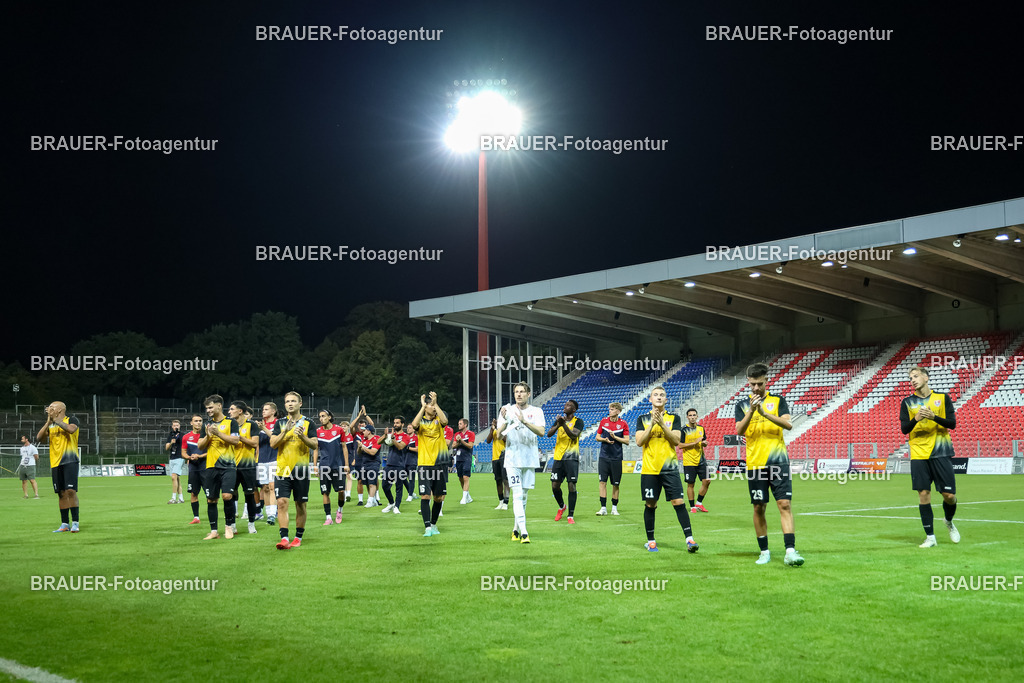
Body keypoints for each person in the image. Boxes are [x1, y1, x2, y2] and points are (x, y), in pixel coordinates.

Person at [735, 363, 803, 566]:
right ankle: (764, 552)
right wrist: (752, 411)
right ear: (748, 382)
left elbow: (788, 424)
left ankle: (790, 551)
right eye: (752, 384)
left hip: (778, 462)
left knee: (785, 504)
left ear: (767, 380)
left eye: (760, 384)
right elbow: (739, 430)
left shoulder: (778, 400)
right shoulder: (741, 405)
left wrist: (764, 413)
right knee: (759, 507)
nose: (756, 388)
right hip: (755, 464)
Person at [900, 365, 960, 548]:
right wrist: (916, 419)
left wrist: (934, 417)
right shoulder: (907, 402)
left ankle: (948, 521)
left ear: (926, 377)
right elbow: (904, 429)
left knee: (949, 496)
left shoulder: (942, 398)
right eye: (911, 378)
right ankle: (930, 537)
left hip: (940, 451)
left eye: (916, 376)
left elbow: (952, 424)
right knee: (924, 494)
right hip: (918, 453)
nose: (913, 380)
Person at [636, 387, 698, 553]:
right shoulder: (642, 419)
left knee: (678, 502)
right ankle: (651, 541)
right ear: (650, 399)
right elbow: (639, 442)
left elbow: (676, 440)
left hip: (669, 469)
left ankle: (690, 539)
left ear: (666, 400)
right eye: (655, 395)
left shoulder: (674, 418)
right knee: (650, 504)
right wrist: (652, 424)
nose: (659, 397)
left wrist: (662, 424)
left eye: (662, 395)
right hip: (650, 469)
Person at [496, 382, 545, 544]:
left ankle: (515, 529)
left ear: (528, 394)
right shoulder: (507, 410)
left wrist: (524, 421)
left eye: (522, 391)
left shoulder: (536, 411)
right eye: (516, 391)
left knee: (523, 496)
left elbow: (541, 432)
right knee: (517, 494)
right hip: (512, 459)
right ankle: (524, 532)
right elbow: (498, 436)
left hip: (529, 459)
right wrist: (505, 420)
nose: (519, 394)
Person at [269, 391, 317, 549]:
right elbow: (273, 444)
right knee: (281, 503)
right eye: (287, 401)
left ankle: (298, 537)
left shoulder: (309, 423)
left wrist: (302, 436)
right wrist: (285, 431)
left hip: (300, 470)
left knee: (300, 504)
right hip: (283, 470)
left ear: (300, 404)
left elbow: (315, 445)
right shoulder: (280, 423)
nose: (290, 404)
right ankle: (284, 538)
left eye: (293, 401)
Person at [197, 395, 240, 540]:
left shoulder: (231, 422)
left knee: (227, 496)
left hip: (228, 466)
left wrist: (218, 433)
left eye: (210, 407)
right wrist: (208, 435)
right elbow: (200, 446)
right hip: (211, 466)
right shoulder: (207, 425)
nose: (208, 410)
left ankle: (229, 526)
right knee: (211, 499)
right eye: (207, 408)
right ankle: (214, 531)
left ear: (219, 406)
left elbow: (235, 440)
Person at [36, 402, 81, 533]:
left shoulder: (72, 419)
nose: (49, 409)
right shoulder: (51, 425)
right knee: (61, 494)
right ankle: (64, 524)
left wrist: (56, 420)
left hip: (70, 460)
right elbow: (40, 439)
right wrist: (48, 422)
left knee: (71, 491)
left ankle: (75, 523)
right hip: (55, 463)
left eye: (52, 407)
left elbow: (71, 430)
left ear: (60, 410)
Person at [411, 392, 449, 537]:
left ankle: (433, 524)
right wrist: (422, 407)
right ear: (425, 407)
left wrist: (435, 403)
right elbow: (414, 425)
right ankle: (427, 527)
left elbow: (445, 421)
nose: (433, 408)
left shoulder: (439, 420)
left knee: (438, 498)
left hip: (440, 463)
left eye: (434, 406)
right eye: (430, 405)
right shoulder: (421, 423)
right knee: (425, 496)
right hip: (425, 463)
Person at [547, 399, 583, 524]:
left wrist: (563, 425)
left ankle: (570, 515)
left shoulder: (578, 421)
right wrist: (558, 424)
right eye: (566, 404)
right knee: (555, 486)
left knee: (571, 485)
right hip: (558, 457)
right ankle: (562, 506)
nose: (565, 406)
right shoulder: (560, 421)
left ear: (574, 409)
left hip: (571, 457)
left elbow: (574, 435)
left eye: (569, 405)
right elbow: (549, 434)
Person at [227, 402, 260, 534]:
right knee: (230, 495)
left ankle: (251, 523)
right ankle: (232, 524)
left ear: (240, 411)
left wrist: (239, 438)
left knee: (249, 495)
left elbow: (255, 443)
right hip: (231, 466)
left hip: (248, 466)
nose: (229, 412)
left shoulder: (251, 425)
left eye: (232, 409)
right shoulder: (228, 425)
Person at [595, 402, 629, 516]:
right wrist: (605, 439)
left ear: (618, 411)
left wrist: (615, 437)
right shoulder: (603, 421)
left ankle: (614, 508)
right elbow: (597, 437)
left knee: (616, 484)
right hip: (604, 457)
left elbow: (627, 441)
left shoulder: (623, 424)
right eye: (610, 409)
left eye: (613, 409)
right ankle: (603, 508)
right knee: (602, 482)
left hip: (616, 458)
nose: (610, 411)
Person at [315, 409, 348, 525]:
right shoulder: (318, 431)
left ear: (329, 417)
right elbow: (315, 449)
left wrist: (346, 464)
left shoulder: (339, 430)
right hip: (324, 466)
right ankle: (328, 517)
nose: (321, 418)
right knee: (325, 492)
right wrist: (315, 466)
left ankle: (340, 510)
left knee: (341, 491)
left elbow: (344, 447)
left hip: (337, 465)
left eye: (323, 416)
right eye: (320, 416)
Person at [679, 408, 711, 513]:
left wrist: (704, 443)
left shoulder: (701, 428)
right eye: (690, 415)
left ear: (697, 416)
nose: (692, 417)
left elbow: (704, 441)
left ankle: (699, 503)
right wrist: (694, 443)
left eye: (694, 415)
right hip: (689, 461)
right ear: (687, 417)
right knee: (691, 484)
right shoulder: (683, 430)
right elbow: (680, 445)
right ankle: (692, 506)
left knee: (707, 481)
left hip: (701, 460)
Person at [256, 402, 279, 524]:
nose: (263, 411)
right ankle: (268, 512)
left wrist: (263, 429)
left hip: (275, 458)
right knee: (264, 487)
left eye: (266, 409)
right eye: (263, 409)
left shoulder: (278, 423)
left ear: (273, 411)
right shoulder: (260, 425)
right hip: (262, 459)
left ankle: (272, 514)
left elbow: (276, 438)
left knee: (272, 486)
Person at [381, 417, 409, 514]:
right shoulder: (391, 435)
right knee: (384, 486)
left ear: (402, 424)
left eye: (397, 423)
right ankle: (391, 503)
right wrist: (385, 435)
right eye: (394, 423)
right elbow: (379, 442)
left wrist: (393, 439)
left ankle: (397, 506)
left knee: (399, 487)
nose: (395, 424)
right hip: (389, 464)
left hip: (399, 465)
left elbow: (400, 447)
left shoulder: (405, 436)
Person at [181, 414, 205, 524]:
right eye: (196, 421)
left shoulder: (206, 436)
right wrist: (189, 457)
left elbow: (211, 452)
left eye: (200, 421)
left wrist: (199, 456)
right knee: (194, 493)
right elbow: (183, 452)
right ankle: (196, 517)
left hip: (206, 467)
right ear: (191, 423)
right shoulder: (186, 437)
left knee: (210, 494)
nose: (198, 423)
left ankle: (212, 516)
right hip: (193, 469)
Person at [355, 423, 382, 508]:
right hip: (364, 463)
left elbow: (373, 452)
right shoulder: (364, 440)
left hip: (373, 463)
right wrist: (359, 447)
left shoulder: (376, 439)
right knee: (366, 483)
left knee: (372, 483)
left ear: (369, 431)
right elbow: (358, 453)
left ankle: (370, 501)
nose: (363, 432)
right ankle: (373, 500)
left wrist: (363, 447)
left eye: (365, 430)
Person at [486, 418, 508, 510]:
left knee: (505, 480)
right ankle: (501, 501)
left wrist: (499, 429)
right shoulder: (494, 431)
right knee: (498, 480)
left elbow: (506, 440)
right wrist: (492, 430)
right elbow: (488, 440)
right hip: (495, 458)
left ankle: (506, 502)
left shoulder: (505, 429)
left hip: (504, 457)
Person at [453, 418, 476, 505]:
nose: (458, 425)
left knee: (466, 477)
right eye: (458, 423)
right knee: (460, 478)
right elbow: (453, 446)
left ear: (465, 425)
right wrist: (458, 441)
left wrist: (461, 441)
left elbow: (470, 446)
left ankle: (464, 498)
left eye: (460, 423)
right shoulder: (457, 434)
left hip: (467, 458)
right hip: (459, 458)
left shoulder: (471, 434)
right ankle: (467, 496)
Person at [164, 419, 185, 504]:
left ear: (179, 426)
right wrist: (171, 443)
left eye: (177, 425)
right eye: (174, 425)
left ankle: (173, 498)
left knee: (173, 477)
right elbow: (166, 448)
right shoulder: (170, 435)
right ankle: (181, 498)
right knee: (177, 479)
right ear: (172, 426)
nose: (176, 427)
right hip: (172, 458)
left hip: (180, 457)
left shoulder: (182, 435)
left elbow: (186, 446)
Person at [402, 423, 419, 502]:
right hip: (403, 460)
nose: (408, 429)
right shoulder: (405, 437)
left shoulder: (416, 437)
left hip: (412, 461)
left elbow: (418, 449)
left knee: (411, 479)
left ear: (413, 429)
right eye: (407, 428)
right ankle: (411, 492)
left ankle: (410, 495)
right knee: (402, 478)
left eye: (410, 428)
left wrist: (408, 448)